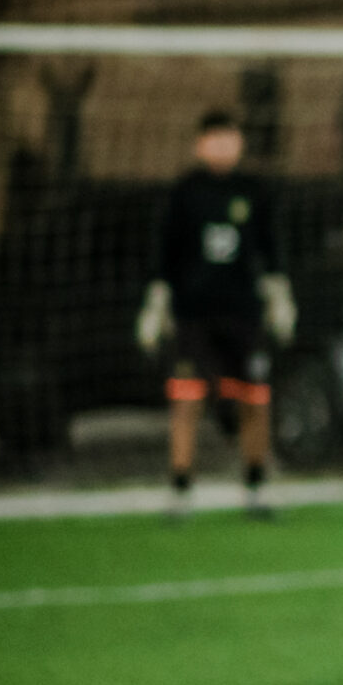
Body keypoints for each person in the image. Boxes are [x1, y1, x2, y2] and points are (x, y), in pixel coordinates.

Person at [135, 109, 295, 520]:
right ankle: (180, 491)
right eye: (215, 139)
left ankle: (256, 489)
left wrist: (280, 297)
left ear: (240, 144)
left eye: (230, 138)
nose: (223, 146)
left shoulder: (254, 191)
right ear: (200, 144)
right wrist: (156, 303)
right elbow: (164, 254)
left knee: (254, 400)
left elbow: (272, 250)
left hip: (244, 316)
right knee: (186, 401)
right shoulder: (184, 192)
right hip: (193, 317)